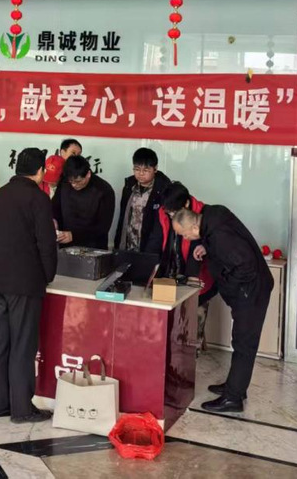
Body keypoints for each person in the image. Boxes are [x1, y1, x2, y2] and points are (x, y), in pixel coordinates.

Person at [171, 205, 273, 413]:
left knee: (244, 343)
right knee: (240, 341)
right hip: (251, 287)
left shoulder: (219, 236)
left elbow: (246, 267)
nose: (186, 239)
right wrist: (206, 247)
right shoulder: (212, 216)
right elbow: (230, 242)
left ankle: (233, 399)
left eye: (185, 234)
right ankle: (235, 386)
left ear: (193, 227)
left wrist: (229, 285)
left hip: (251, 290)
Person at [0, 148, 58, 423]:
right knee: (22, 346)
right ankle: (21, 409)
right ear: (40, 171)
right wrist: (47, 275)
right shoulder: (38, 199)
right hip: (25, 282)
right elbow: (46, 243)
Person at [161, 182, 217, 351]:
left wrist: (191, 280)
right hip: (174, 271)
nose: (172, 216)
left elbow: (198, 251)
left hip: (198, 276)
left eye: (174, 212)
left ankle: (193, 351)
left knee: (194, 318)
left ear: (185, 204)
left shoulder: (202, 215)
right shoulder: (165, 210)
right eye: (169, 213)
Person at [113, 148, 172, 256]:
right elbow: (123, 218)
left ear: (155, 169)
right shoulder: (129, 186)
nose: (140, 174)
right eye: (137, 169)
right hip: (128, 245)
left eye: (146, 170)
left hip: (150, 248)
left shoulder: (163, 189)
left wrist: (153, 250)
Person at [51, 156, 116, 249]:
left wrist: (74, 236)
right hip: (66, 245)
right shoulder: (65, 182)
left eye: (78, 181)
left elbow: (102, 227)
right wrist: (54, 219)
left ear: (88, 174)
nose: (74, 185)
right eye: (71, 181)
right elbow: (55, 206)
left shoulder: (104, 190)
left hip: (93, 248)